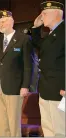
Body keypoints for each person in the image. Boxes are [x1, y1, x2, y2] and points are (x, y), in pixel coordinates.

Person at [0, 10, 33, 137]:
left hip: (14, 87)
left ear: (11, 22)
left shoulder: (23, 39)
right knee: (1, 123)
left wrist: (25, 86)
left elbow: (28, 65)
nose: (1, 25)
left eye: (4, 22)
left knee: (13, 123)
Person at [32, 0, 65, 136]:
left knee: (60, 130)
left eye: (44, 14)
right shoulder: (51, 34)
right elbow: (38, 44)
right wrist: (35, 27)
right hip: (46, 89)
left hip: (60, 91)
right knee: (48, 128)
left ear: (56, 13)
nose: (42, 16)